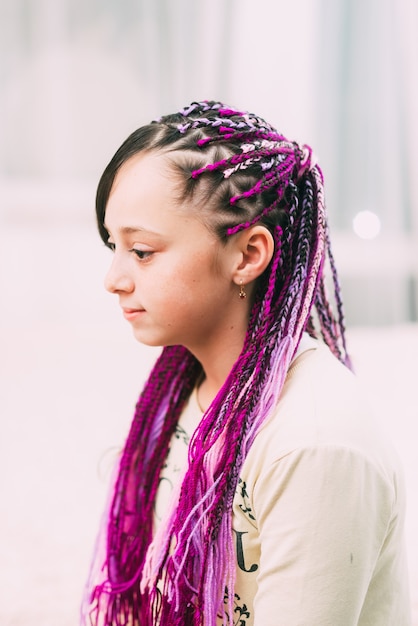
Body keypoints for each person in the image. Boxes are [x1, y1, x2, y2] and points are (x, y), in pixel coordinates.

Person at [82, 100, 410, 626]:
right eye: (112, 245)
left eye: (141, 251)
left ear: (247, 255)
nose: (114, 278)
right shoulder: (189, 384)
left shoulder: (317, 444)